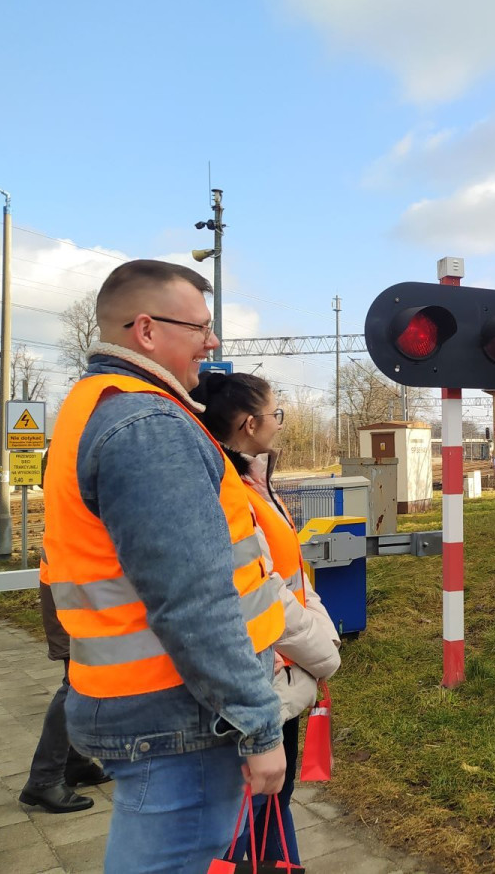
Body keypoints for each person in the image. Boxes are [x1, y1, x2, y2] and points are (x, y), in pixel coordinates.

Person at [42, 259, 288, 874]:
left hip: (148, 700)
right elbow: (194, 600)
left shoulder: (100, 405)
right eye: (201, 327)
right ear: (146, 331)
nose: (214, 342)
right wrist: (258, 725)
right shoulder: (148, 425)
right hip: (179, 713)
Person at [192, 370, 341, 865]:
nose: (280, 424)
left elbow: (292, 572)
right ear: (251, 423)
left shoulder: (252, 482)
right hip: (268, 671)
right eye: (276, 414)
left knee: (273, 802)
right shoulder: (228, 490)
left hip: (287, 663)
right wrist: (321, 649)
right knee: (249, 811)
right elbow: (260, 590)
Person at [17, 555, 110, 814]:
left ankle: (74, 761)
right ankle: (44, 779)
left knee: (84, 681)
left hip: (75, 584)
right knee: (77, 683)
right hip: (73, 588)